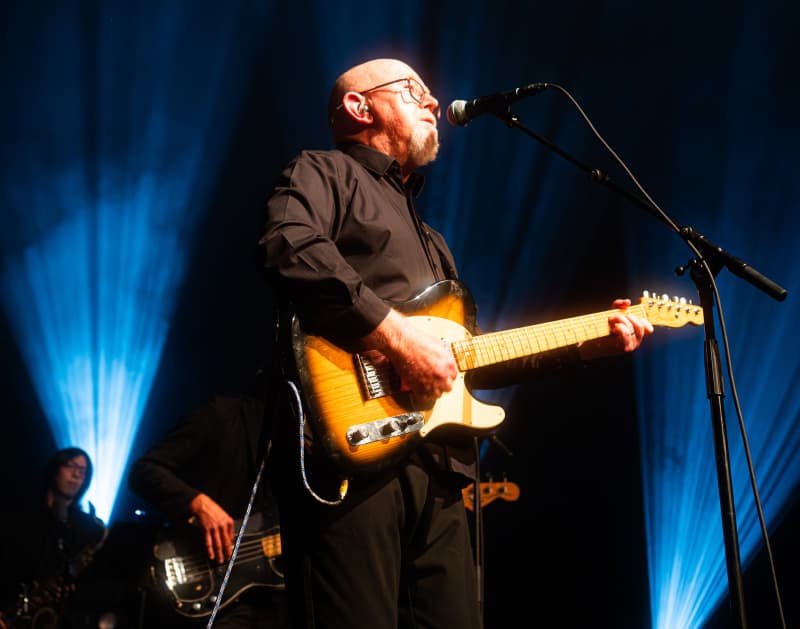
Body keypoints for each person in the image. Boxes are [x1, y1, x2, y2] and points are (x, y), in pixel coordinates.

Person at [259, 57, 654, 628]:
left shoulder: (433, 241)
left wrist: (591, 343)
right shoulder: (323, 171)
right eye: (413, 90)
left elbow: (467, 363)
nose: (433, 102)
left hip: (442, 468)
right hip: (353, 453)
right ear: (358, 106)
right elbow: (286, 246)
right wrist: (395, 338)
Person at [127, 376, 289, 629]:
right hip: (212, 585)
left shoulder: (302, 439)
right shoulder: (220, 414)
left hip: (275, 600)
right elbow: (144, 471)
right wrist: (197, 503)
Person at [0, 446, 107, 629]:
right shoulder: (20, 515)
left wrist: (74, 589)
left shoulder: (88, 527)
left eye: (83, 471)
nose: (77, 475)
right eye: (71, 466)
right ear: (54, 470)